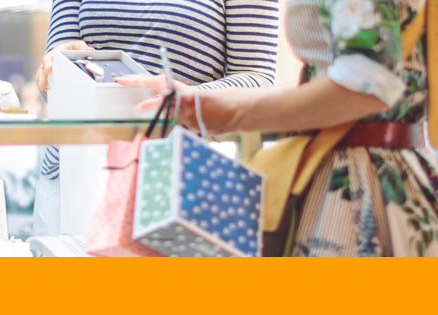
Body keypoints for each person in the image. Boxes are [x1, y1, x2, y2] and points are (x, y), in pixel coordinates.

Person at [121, 0, 436, 256]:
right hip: (370, 172)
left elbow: (366, 85)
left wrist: (231, 114)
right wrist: (205, 100)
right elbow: (328, 81)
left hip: (358, 187)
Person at [32, 0, 281, 236]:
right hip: (76, 176)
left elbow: (256, 78)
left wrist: (189, 99)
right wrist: (57, 67)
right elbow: (48, 86)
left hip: (180, 178)